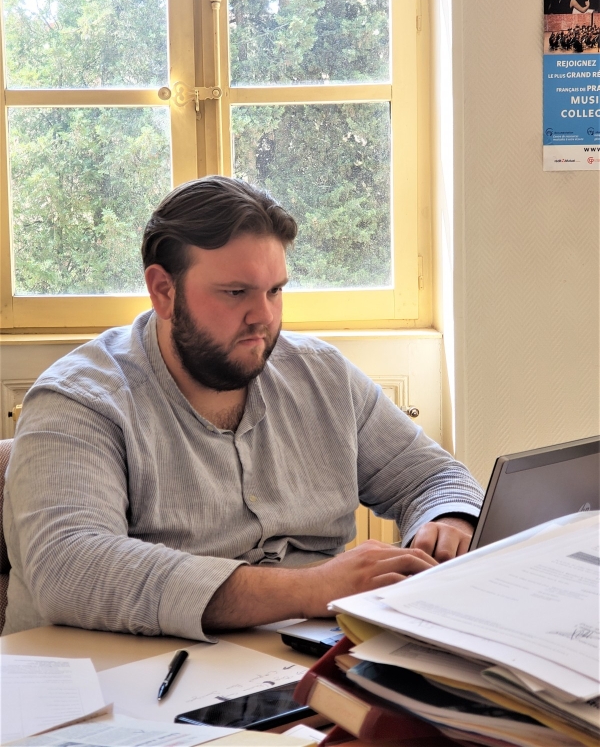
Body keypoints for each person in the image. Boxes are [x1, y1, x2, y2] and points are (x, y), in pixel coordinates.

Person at [3, 176, 483, 640]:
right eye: (237, 293)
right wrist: (310, 588)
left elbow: (435, 478)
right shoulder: (79, 399)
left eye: (275, 290)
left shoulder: (322, 375)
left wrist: (446, 522)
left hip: (300, 661)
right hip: (127, 682)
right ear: (163, 291)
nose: (265, 317)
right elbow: (70, 568)